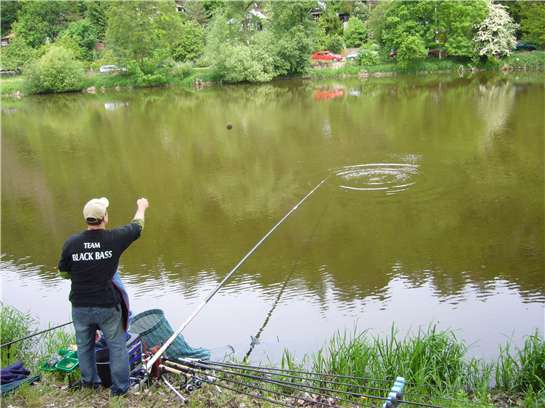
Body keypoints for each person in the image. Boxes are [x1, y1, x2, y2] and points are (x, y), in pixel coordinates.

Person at [58, 197, 149, 396]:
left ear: (87, 219)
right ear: (105, 218)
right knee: (117, 347)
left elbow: (63, 273)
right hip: (108, 306)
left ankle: (90, 384)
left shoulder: (71, 243)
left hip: (80, 306)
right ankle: (119, 390)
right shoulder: (114, 238)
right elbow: (137, 226)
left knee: (84, 346)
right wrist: (141, 207)